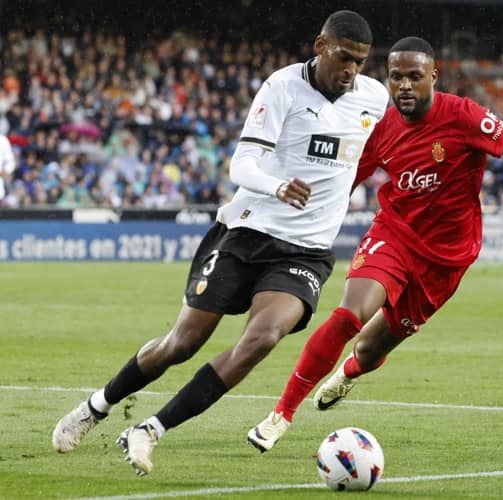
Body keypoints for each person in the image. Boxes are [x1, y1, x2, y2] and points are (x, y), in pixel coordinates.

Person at [51, 10, 389, 476]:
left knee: (263, 338)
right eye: (344, 57)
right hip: (247, 233)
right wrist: (277, 186)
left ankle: (150, 430)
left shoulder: (374, 96)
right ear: (320, 46)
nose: (351, 70)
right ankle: (97, 405)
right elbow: (242, 164)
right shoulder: (283, 88)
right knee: (181, 343)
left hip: (305, 251)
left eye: (360, 61)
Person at [247, 36, 503, 452]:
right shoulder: (383, 129)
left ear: (434, 75)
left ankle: (349, 373)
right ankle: (280, 414)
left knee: (369, 349)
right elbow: (343, 182)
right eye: (396, 77)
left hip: (447, 259)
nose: (404, 86)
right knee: (348, 316)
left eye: (414, 76)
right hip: (393, 235)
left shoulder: (465, 117)